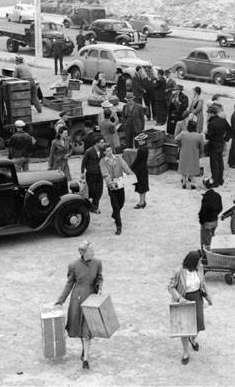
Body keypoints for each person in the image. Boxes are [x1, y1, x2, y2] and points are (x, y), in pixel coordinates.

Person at [55, 240, 103, 370]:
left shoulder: (97, 263)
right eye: (91, 250)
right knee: (80, 329)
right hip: (77, 301)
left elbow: (99, 278)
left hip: (91, 300)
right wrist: (60, 300)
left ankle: (86, 359)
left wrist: (99, 287)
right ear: (84, 252)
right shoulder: (73, 265)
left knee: (87, 329)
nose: (93, 252)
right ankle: (84, 349)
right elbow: (69, 284)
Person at [167, 250, 213, 365]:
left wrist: (207, 296)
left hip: (197, 297)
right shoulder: (179, 271)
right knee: (185, 328)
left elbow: (203, 283)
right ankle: (186, 352)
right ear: (192, 262)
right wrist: (179, 298)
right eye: (198, 261)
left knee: (199, 323)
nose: (200, 263)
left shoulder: (200, 268)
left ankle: (192, 339)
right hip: (184, 299)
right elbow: (170, 287)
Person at [100, 145, 133, 235]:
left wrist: (131, 175)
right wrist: (110, 183)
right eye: (107, 151)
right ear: (104, 153)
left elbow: (125, 167)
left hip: (120, 184)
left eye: (110, 150)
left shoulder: (118, 158)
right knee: (115, 205)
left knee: (121, 202)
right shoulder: (102, 162)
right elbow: (105, 173)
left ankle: (114, 214)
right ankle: (119, 226)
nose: (110, 152)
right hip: (111, 186)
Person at [205, 104, 231, 187]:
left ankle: (215, 181)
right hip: (221, 143)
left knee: (214, 164)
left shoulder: (211, 123)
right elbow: (230, 131)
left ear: (212, 113)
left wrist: (206, 134)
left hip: (213, 145)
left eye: (208, 113)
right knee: (220, 163)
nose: (207, 115)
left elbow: (210, 136)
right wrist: (225, 139)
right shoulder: (223, 120)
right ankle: (220, 180)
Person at [175, 121, 204, 189]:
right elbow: (202, 147)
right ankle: (192, 184)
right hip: (194, 154)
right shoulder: (199, 136)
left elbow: (176, 139)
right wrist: (200, 153)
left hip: (184, 153)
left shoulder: (183, 134)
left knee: (184, 168)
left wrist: (180, 145)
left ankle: (184, 183)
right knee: (192, 169)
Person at [81, 136, 105, 213]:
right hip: (91, 174)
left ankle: (94, 207)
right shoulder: (89, 151)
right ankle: (91, 206)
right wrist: (82, 172)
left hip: (99, 173)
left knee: (99, 191)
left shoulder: (102, 151)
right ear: (96, 143)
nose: (103, 144)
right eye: (101, 142)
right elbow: (83, 162)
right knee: (92, 191)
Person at [132, 133, 149, 209]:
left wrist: (131, 167)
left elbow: (137, 161)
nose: (138, 142)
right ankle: (143, 201)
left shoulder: (141, 150)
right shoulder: (146, 148)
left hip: (140, 169)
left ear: (143, 141)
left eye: (139, 140)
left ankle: (141, 202)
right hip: (144, 168)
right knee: (143, 185)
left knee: (140, 187)